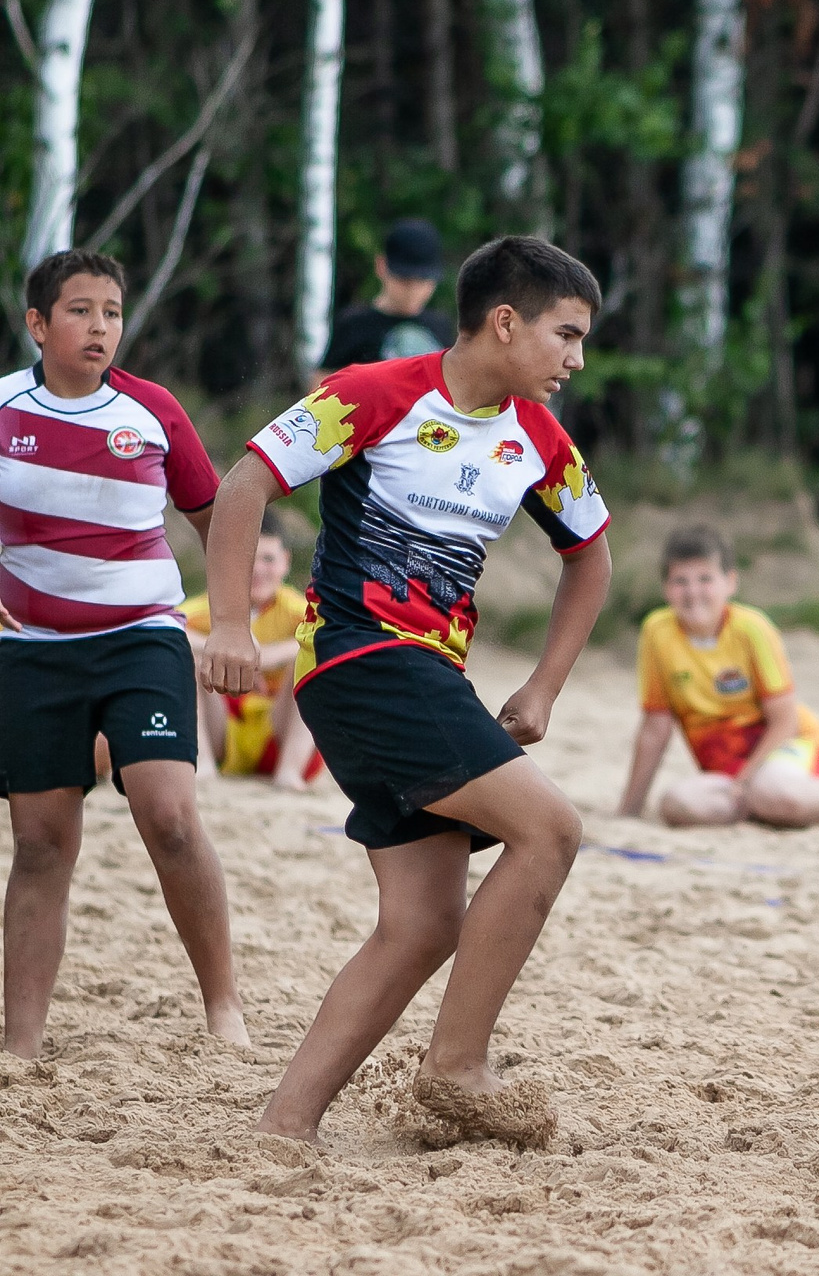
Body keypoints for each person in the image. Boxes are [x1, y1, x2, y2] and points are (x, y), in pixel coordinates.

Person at [199, 235, 612, 1148]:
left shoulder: (539, 436)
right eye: (567, 334)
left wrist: (544, 687)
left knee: (424, 922)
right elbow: (244, 486)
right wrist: (230, 622)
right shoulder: (371, 392)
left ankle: (285, 1125)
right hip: (365, 661)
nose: (578, 360)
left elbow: (591, 558)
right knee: (550, 831)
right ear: (505, 321)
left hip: (425, 677)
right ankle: (458, 1064)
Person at [0, 251, 248, 1058]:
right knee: (39, 841)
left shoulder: (154, 412)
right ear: (37, 323)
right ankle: (24, 1044)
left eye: (111, 310)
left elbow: (218, 516)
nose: (100, 325)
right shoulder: (4, 406)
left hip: (142, 633)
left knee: (170, 816)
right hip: (31, 649)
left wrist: (230, 623)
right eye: (80, 310)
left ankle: (224, 1009)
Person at [618, 525, 819, 832]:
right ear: (665, 588)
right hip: (727, 767)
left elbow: (785, 720)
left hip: (787, 746)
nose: (693, 592)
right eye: (680, 581)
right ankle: (813, 813)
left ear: (730, 583)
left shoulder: (751, 628)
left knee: (774, 792)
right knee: (677, 804)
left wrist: (746, 778)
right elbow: (655, 727)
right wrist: (629, 810)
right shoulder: (657, 631)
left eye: (705, 579)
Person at [181, 509, 320, 790]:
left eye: (268, 559)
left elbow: (329, 635)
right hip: (223, 729)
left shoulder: (297, 610)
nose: (257, 570)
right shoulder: (205, 609)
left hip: (280, 733)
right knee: (182, 656)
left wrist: (270, 656)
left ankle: (289, 772)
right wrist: (220, 647)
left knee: (314, 657)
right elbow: (165, 627)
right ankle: (202, 762)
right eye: (249, 559)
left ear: (285, 562)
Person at [317, 218, 454, 373]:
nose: (413, 291)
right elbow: (321, 388)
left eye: (423, 281)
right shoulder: (354, 325)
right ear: (381, 266)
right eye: (404, 280)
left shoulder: (441, 326)